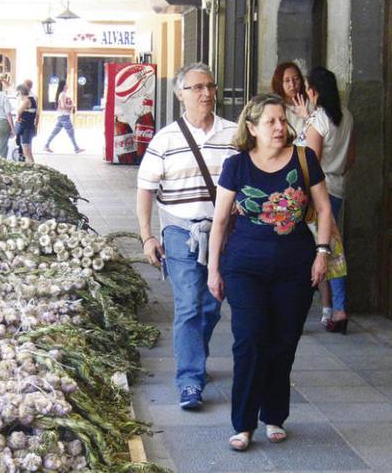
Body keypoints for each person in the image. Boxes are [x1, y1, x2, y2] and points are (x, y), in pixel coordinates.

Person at [207, 93, 332, 451]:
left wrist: (322, 254)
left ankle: (274, 415)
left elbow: (324, 210)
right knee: (248, 342)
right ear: (252, 128)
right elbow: (219, 221)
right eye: (270, 122)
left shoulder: (305, 159)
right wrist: (214, 269)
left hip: (295, 266)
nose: (279, 128)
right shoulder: (237, 166)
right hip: (245, 267)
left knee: (283, 343)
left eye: (282, 120)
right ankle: (243, 423)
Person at [137, 62, 238, 410]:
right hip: (181, 230)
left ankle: (194, 355)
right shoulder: (165, 139)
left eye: (209, 86)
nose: (206, 93)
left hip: (223, 231)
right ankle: (190, 380)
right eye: (196, 88)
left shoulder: (234, 134)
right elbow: (145, 189)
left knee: (212, 305)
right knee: (189, 305)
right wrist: (148, 236)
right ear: (181, 94)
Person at [298, 66, 355, 333]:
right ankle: (333, 308)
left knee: (327, 250)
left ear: (314, 91)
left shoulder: (319, 119)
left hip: (319, 192)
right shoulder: (346, 117)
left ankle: (338, 308)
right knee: (331, 247)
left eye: (307, 88)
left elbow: (312, 161)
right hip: (339, 186)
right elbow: (351, 157)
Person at [272, 61, 314, 138]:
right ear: (279, 83)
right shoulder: (274, 107)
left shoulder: (310, 103)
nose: (292, 84)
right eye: (287, 81)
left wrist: (307, 117)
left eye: (296, 79)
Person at [44, 80, 83, 153]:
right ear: (64, 86)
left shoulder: (64, 94)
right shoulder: (62, 94)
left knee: (55, 132)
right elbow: (63, 106)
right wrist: (72, 106)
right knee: (70, 132)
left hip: (62, 115)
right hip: (64, 115)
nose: (67, 86)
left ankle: (46, 145)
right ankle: (76, 148)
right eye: (66, 84)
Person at [14, 83, 37, 163]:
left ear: (20, 92)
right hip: (30, 127)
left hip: (26, 128)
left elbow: (18, 111)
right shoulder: (33, 99)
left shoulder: (27, 101)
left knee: (27, 152)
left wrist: (18, 117)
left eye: (17, 94)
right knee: (28, 151)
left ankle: (32, 168)